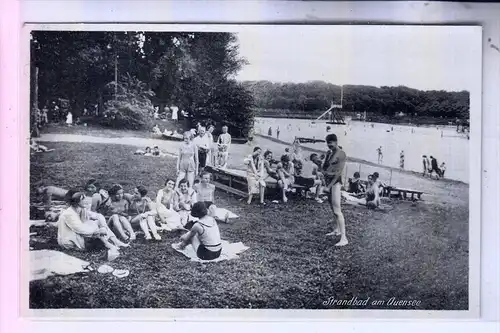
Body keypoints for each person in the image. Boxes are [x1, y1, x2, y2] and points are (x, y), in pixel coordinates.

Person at [57, 189, 128, 252]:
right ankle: (110, 245)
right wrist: (97, 231)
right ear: (77, 201)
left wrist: (103, 226)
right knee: (93, 225)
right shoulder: (69, 214)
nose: (86, 201)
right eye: (83, 199)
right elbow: (80, 229)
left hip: (78, 235)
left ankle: (115, 241)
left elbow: (98, 216)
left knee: (96, 222)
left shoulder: (81, 209)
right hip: (70, 241)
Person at [321, 133, 348, 246]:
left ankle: (344, 238)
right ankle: (337, 230)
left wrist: (328, 186)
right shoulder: (329, 153)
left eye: (331, 143)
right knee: (333, 208)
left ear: (336, 142)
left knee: (337, 210)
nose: (329, 145)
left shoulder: (341, 154)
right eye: (327, 144)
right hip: (329, 183)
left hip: (335, 183)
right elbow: (324, 168)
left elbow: (338, 174)